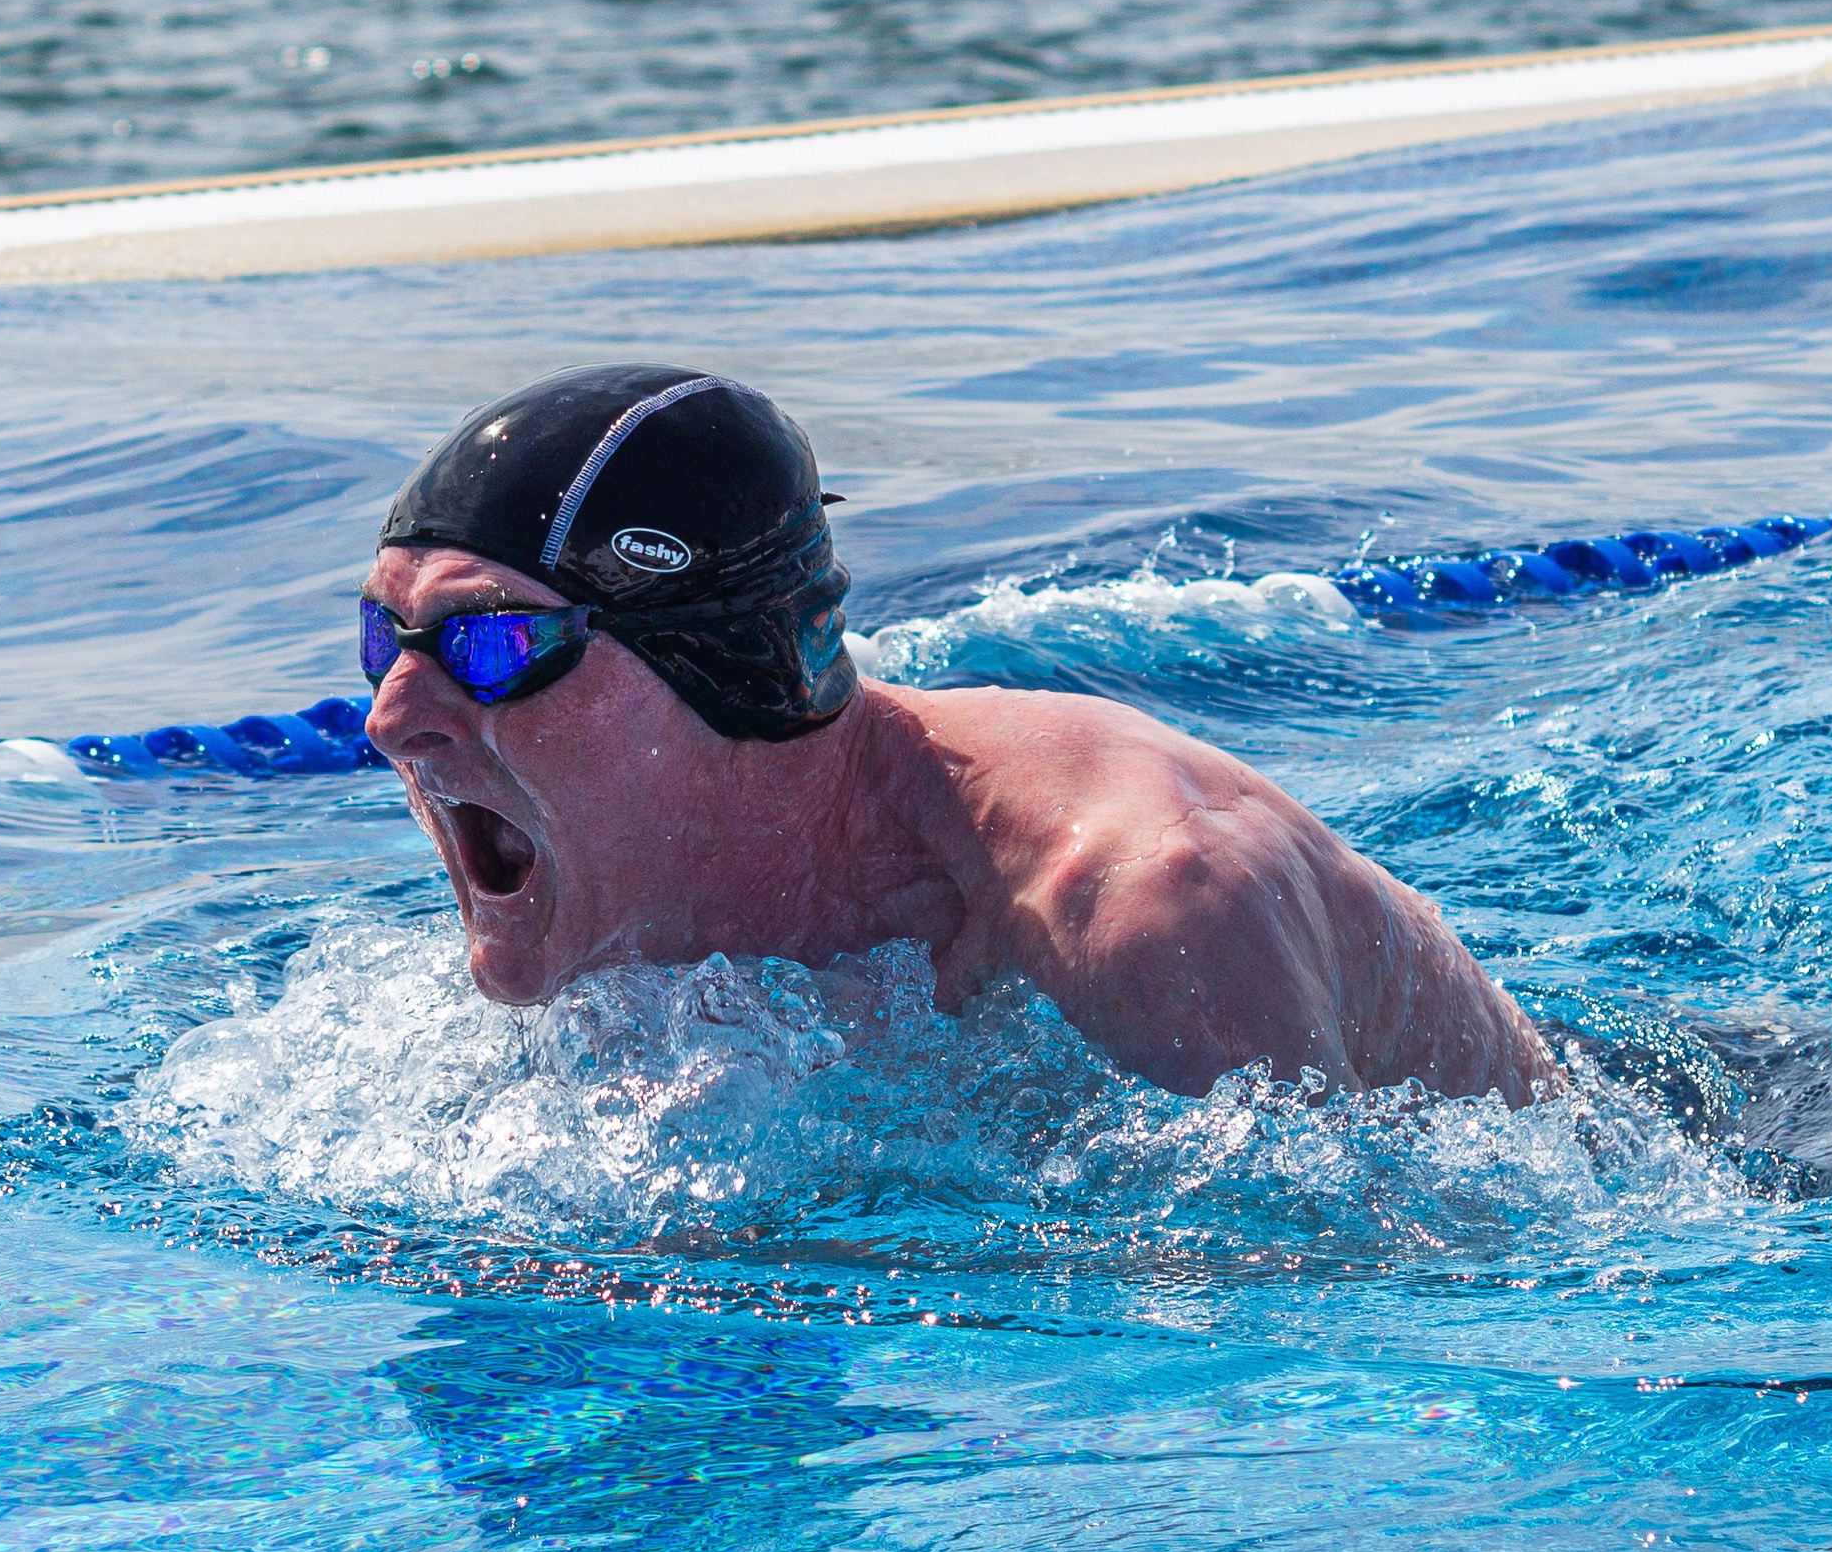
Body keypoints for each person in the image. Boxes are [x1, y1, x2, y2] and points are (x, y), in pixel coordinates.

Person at [361, 362, 1557, 1105]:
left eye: (491, 646)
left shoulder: (1143, 898)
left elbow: (1348, 1303)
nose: (392, 720)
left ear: (719, 670)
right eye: (384, 639)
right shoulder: (626, 886)